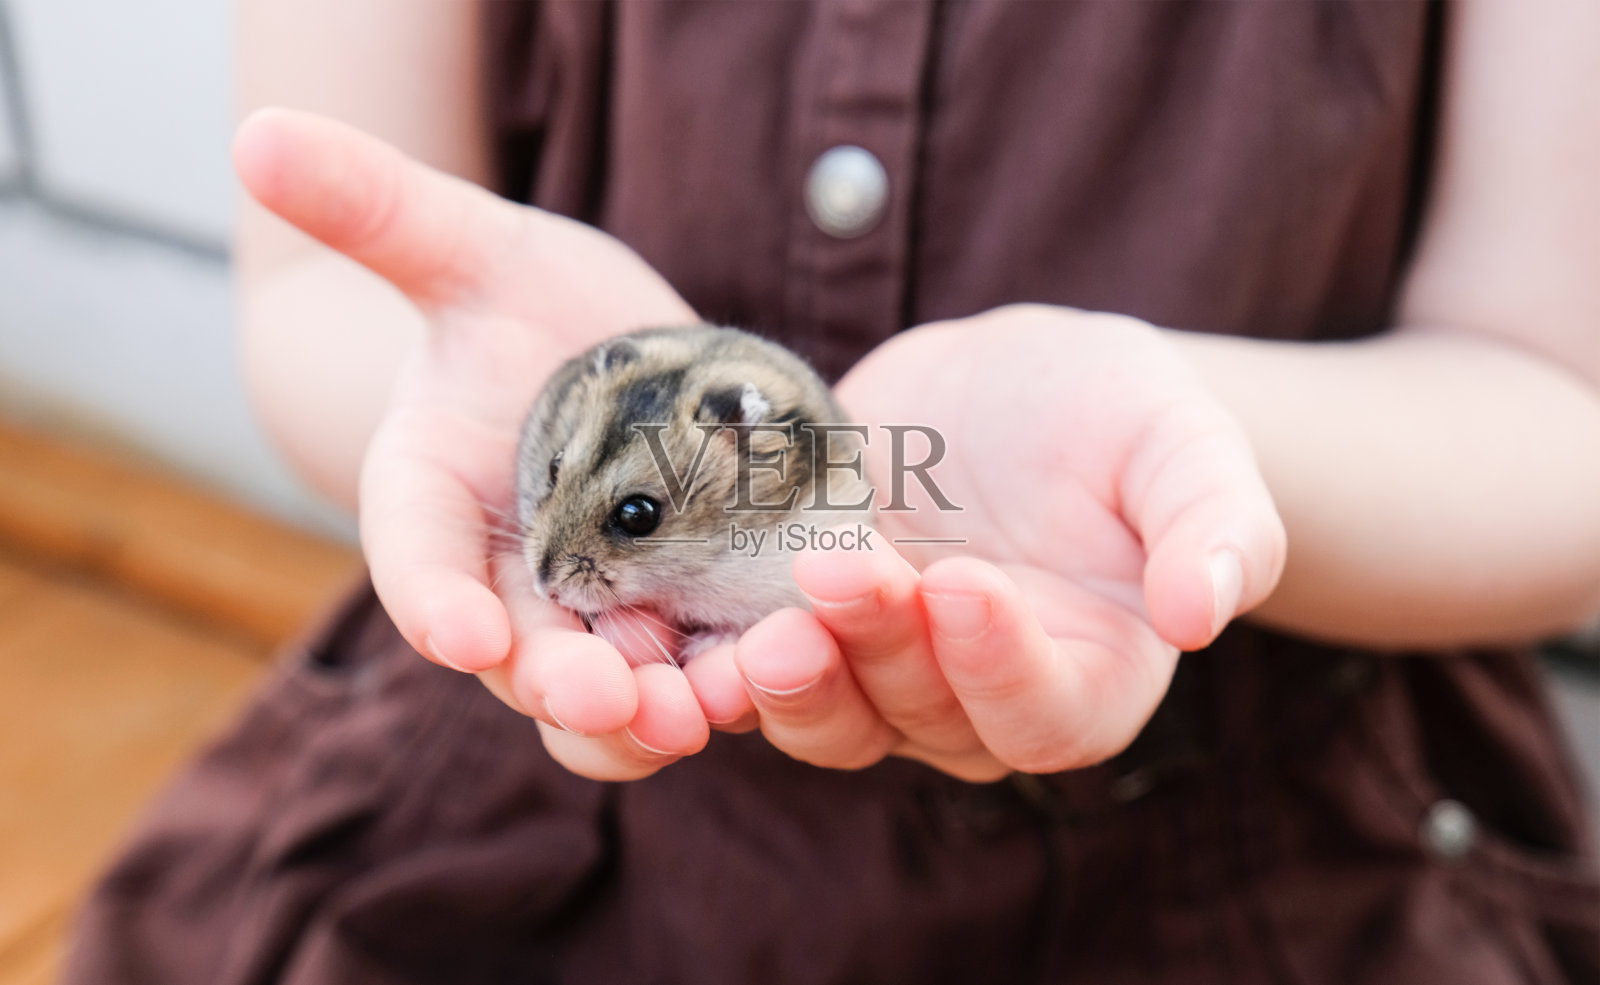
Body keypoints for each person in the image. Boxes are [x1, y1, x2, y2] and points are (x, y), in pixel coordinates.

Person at [63, 1, 1600, 982]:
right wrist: (464, 440)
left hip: (1284, 869)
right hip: (516, 835)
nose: (587, 557)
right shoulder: (603, 538)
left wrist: (1188, 453)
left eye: (636, 527)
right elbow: (321, 294)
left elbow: (1563, 416)